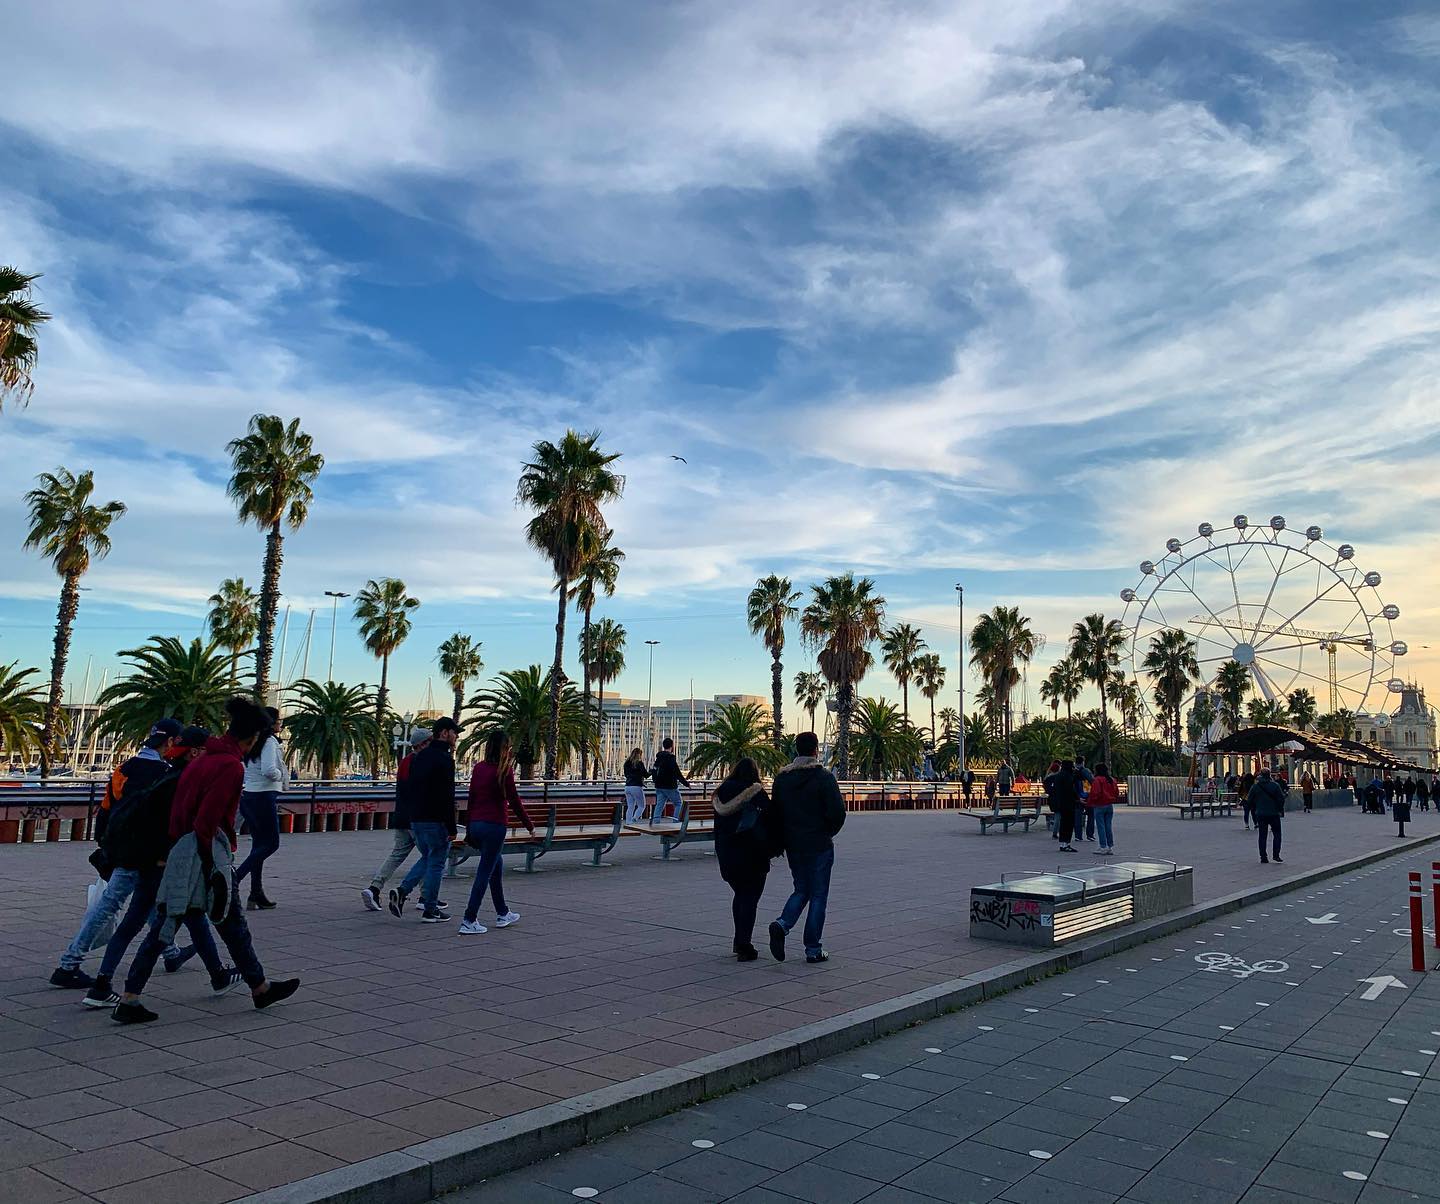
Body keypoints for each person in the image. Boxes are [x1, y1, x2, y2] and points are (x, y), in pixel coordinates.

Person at [112, 699, 301, 1023]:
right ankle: (129, 999)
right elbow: (208, 820)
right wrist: (211, 866)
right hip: (203, 855)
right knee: (171, 926)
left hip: (183, 849)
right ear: (253, 738)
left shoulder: (204, 758)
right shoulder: (229, 765)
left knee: (219, 925)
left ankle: (259, 987)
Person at [82, 726, 241, 1009]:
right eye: (205, 751)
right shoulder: (179, 781)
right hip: (160, 862)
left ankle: (103, 984)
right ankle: (113, 988)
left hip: (143, 858)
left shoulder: (165, 774)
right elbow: (170, 825)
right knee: (171, 919)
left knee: (181, 918)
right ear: (195, 752)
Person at [49, 719, 193, 989]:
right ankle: (68, 963)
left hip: (123, 847)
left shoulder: (123, 769)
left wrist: (105, 846)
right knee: (112, 904)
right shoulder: (166, 773)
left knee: (145, 901)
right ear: (172, 742)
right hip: (146, 850)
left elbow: (106, 809)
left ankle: (171, 953)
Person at [766, 732, 845, 964]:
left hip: (794, 844)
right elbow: (837, 813)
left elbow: (776, 814)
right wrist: (827, 831)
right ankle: (813, 948)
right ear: (815, 750)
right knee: (818, 894)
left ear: (796, 750)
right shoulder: (824, 778)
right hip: (819, 844)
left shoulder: (782, 780)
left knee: (802, 889)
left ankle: (782, 924)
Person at [459, 731, 535, 935]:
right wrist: (529, 825)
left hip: (477, 824)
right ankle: (469, 918)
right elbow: (515, 801)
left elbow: (472, 799)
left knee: (495, 865)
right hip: (495, 826)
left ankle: (503, 912)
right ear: (504, 749)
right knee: (484, 872)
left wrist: (468, 829)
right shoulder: (505, 770)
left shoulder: (479, 768)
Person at [389, 716, 462, 922]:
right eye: (454, 732)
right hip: (435, 820)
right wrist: (451, 827)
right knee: (437, 863)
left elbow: (411, 789)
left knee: (429, 857)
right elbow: (446, 796)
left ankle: (403, 892)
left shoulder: (419, 757)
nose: (456, 736)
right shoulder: (445, 760)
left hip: (416, 819)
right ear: (444, 733)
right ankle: (430, 909)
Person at [361, 728, 429, 911]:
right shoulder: (421, 762)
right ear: (423, 744)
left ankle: (374, 887)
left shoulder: (405, 762)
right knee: (429, 856)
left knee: (397, 854)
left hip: (401, 815)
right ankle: (425, 897)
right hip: (416, 818)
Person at [712, 757, 771, 961]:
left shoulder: (721, 792)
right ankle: (744, 944)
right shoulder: (756, 792)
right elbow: (771, 818)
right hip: (752, 854)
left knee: (740, 896)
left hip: (727, 854)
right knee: (750, 898)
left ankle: (739, 940)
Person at [235, 706, 286, 910]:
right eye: (278, 720)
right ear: (270, 723)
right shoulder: (269, 742)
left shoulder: (252, 741)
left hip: (249, 795)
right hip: (264, 795)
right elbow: (269, 770)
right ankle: (235, 880)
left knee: (259, 845)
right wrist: (280, 777)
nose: (280, 724)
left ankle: (256, 893)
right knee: (271, 843)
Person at [1250, 767, 1287, 865]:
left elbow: (1250, 800)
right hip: (1274, 813)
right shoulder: (1275, 785)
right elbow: (1281, 799)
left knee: (1262, 835)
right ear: (1270, 775)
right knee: (1277, 834)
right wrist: (1279, 809)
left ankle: (1263, 857)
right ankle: (1276, 855)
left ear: (1260, 775)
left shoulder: (1255, 786)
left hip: (1261, 814)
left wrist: (1256, 807)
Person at [651, 737, 689, 823]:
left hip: (659, 785)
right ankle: (675, 822)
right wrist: (686, 784)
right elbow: (677, 772)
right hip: (670, 786)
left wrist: (655, 780)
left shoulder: (659, 757)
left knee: (659, 804)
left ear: (663, 746)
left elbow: (653, 769)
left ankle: (655, 822)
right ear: (672, 746)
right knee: (678, 803)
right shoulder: (671, 758)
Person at [1087, 763, 1120, 855]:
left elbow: (1095, 793)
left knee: (1101, 826)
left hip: (1100, 805)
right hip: (1109, 805)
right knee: (1108, 826)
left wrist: (1090, 802)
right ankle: (1110, 846)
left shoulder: (1097, 780)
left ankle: (1103, 846)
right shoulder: (1112, 780)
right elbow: (1116, 792)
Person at [1051, 760, 1083, 853]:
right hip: (1069, 803)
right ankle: (1067, 844)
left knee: (1063, 823)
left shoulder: (1058, 776)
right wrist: (1078, 798)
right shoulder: (1069, 776)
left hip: (1060, 803)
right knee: (1069, 824)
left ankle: (1062, 844)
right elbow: (1071, 790)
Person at [623, 747, 649, 823]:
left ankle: (628, 822)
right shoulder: (639, 763)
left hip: (627, 787)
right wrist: (653, 771)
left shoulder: (626, 763)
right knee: (642, 806)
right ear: (639, 755)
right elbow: (646, 775)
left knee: (630, 806)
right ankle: (634, 819)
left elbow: (626, 775)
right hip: (636, 787)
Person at [1074, 756, 1096, 841]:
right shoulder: (1086, 771)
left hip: (1078, 797)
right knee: (1091, 815)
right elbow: (1092, 781)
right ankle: (1090, 835)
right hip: (1088, 796)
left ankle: (1078, 835)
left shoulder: (1073, 772)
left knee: (1078, 816)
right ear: (1083, 762)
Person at [1042, 760, 1063, 839]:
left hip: (1051, 799)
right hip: (1059, 799)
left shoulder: (1047, 778)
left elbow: (1046, 789)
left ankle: (1056, 832)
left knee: (1057, 815)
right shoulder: (1059, 777)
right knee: (1059, 816)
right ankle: (1056, 832)